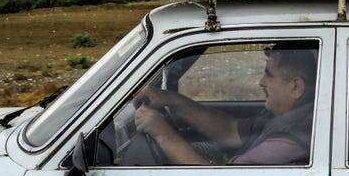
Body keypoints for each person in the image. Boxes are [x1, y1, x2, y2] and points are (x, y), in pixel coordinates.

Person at [133, 43, 318, 165]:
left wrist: (163, 134)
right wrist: (171, 99)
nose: (261, 82)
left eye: (269, 74)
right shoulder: (285, 115)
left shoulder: (292, 140)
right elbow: (229, 130)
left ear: (295, 87)